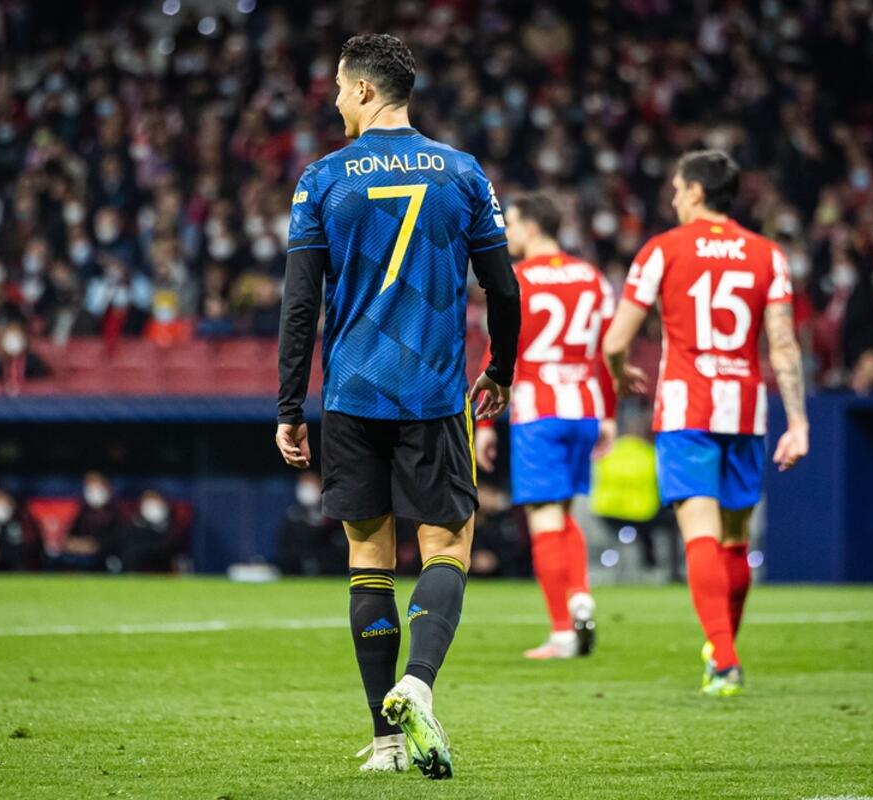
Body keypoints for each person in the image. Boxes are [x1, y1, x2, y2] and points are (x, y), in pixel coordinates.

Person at [274, 33, 520, 778]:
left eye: (339, 88)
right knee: (446, 546)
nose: (335, 100)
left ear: (364, 89)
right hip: (433, 392)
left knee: (368, 559)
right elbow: (503, 288)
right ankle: (418, 683)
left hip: (353, 393)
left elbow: (299, 304)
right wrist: (500, 369)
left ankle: (384, 744)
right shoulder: (461, 171)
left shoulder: (323, 180)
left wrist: (289, 404)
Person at [602, 150, 809, 697]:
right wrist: (799, 422)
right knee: (735, 539)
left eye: (677, 189)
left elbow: (616, 340)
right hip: (745, 410)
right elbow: (783, 344)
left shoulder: (662, 250)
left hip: (686, 408)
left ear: (696, 190)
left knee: (700, 534)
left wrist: (620, 374)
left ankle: (723, 658)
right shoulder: (768, 255)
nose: (673, 199)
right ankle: (723, 651)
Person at [473, 193, 617, 660]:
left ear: (533, 227)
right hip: (585, 407)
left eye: (512, 223)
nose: (507, 232)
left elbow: (500, 349)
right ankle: (580, 596)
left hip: (539, 410)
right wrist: (609, 414)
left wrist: (486, 421)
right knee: (564, 513)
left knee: (543, 518)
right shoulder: (592, 277)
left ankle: (561, 631)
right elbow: (608, 351)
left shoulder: (518, 278)